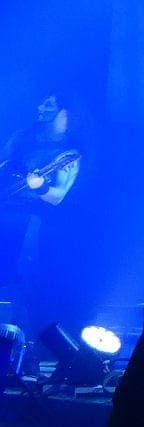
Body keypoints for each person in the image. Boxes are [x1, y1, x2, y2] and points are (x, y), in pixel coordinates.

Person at [0, 94, 81, 326]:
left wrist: (40, 186)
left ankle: (15, 337)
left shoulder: (68, 153)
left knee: (16, 278)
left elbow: (57, 197)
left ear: (64, 113)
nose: (41, 108)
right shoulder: (21, 138)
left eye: (49, 105)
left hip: (28, 221)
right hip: (3, 211)